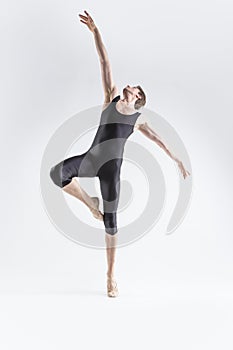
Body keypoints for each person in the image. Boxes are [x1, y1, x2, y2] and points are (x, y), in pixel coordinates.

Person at [50, 10, 191, 297]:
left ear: (138, 97)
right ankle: (90, 203)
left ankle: (111, 277)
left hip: (111, 173)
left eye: (134, 87)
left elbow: (159, 140)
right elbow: (105, 61)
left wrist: (175, 157)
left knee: (112, 225)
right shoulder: (109, 99)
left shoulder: (138, 119)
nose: (128, 85)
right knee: (57, 173)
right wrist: (95, 32)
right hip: (91, 160)